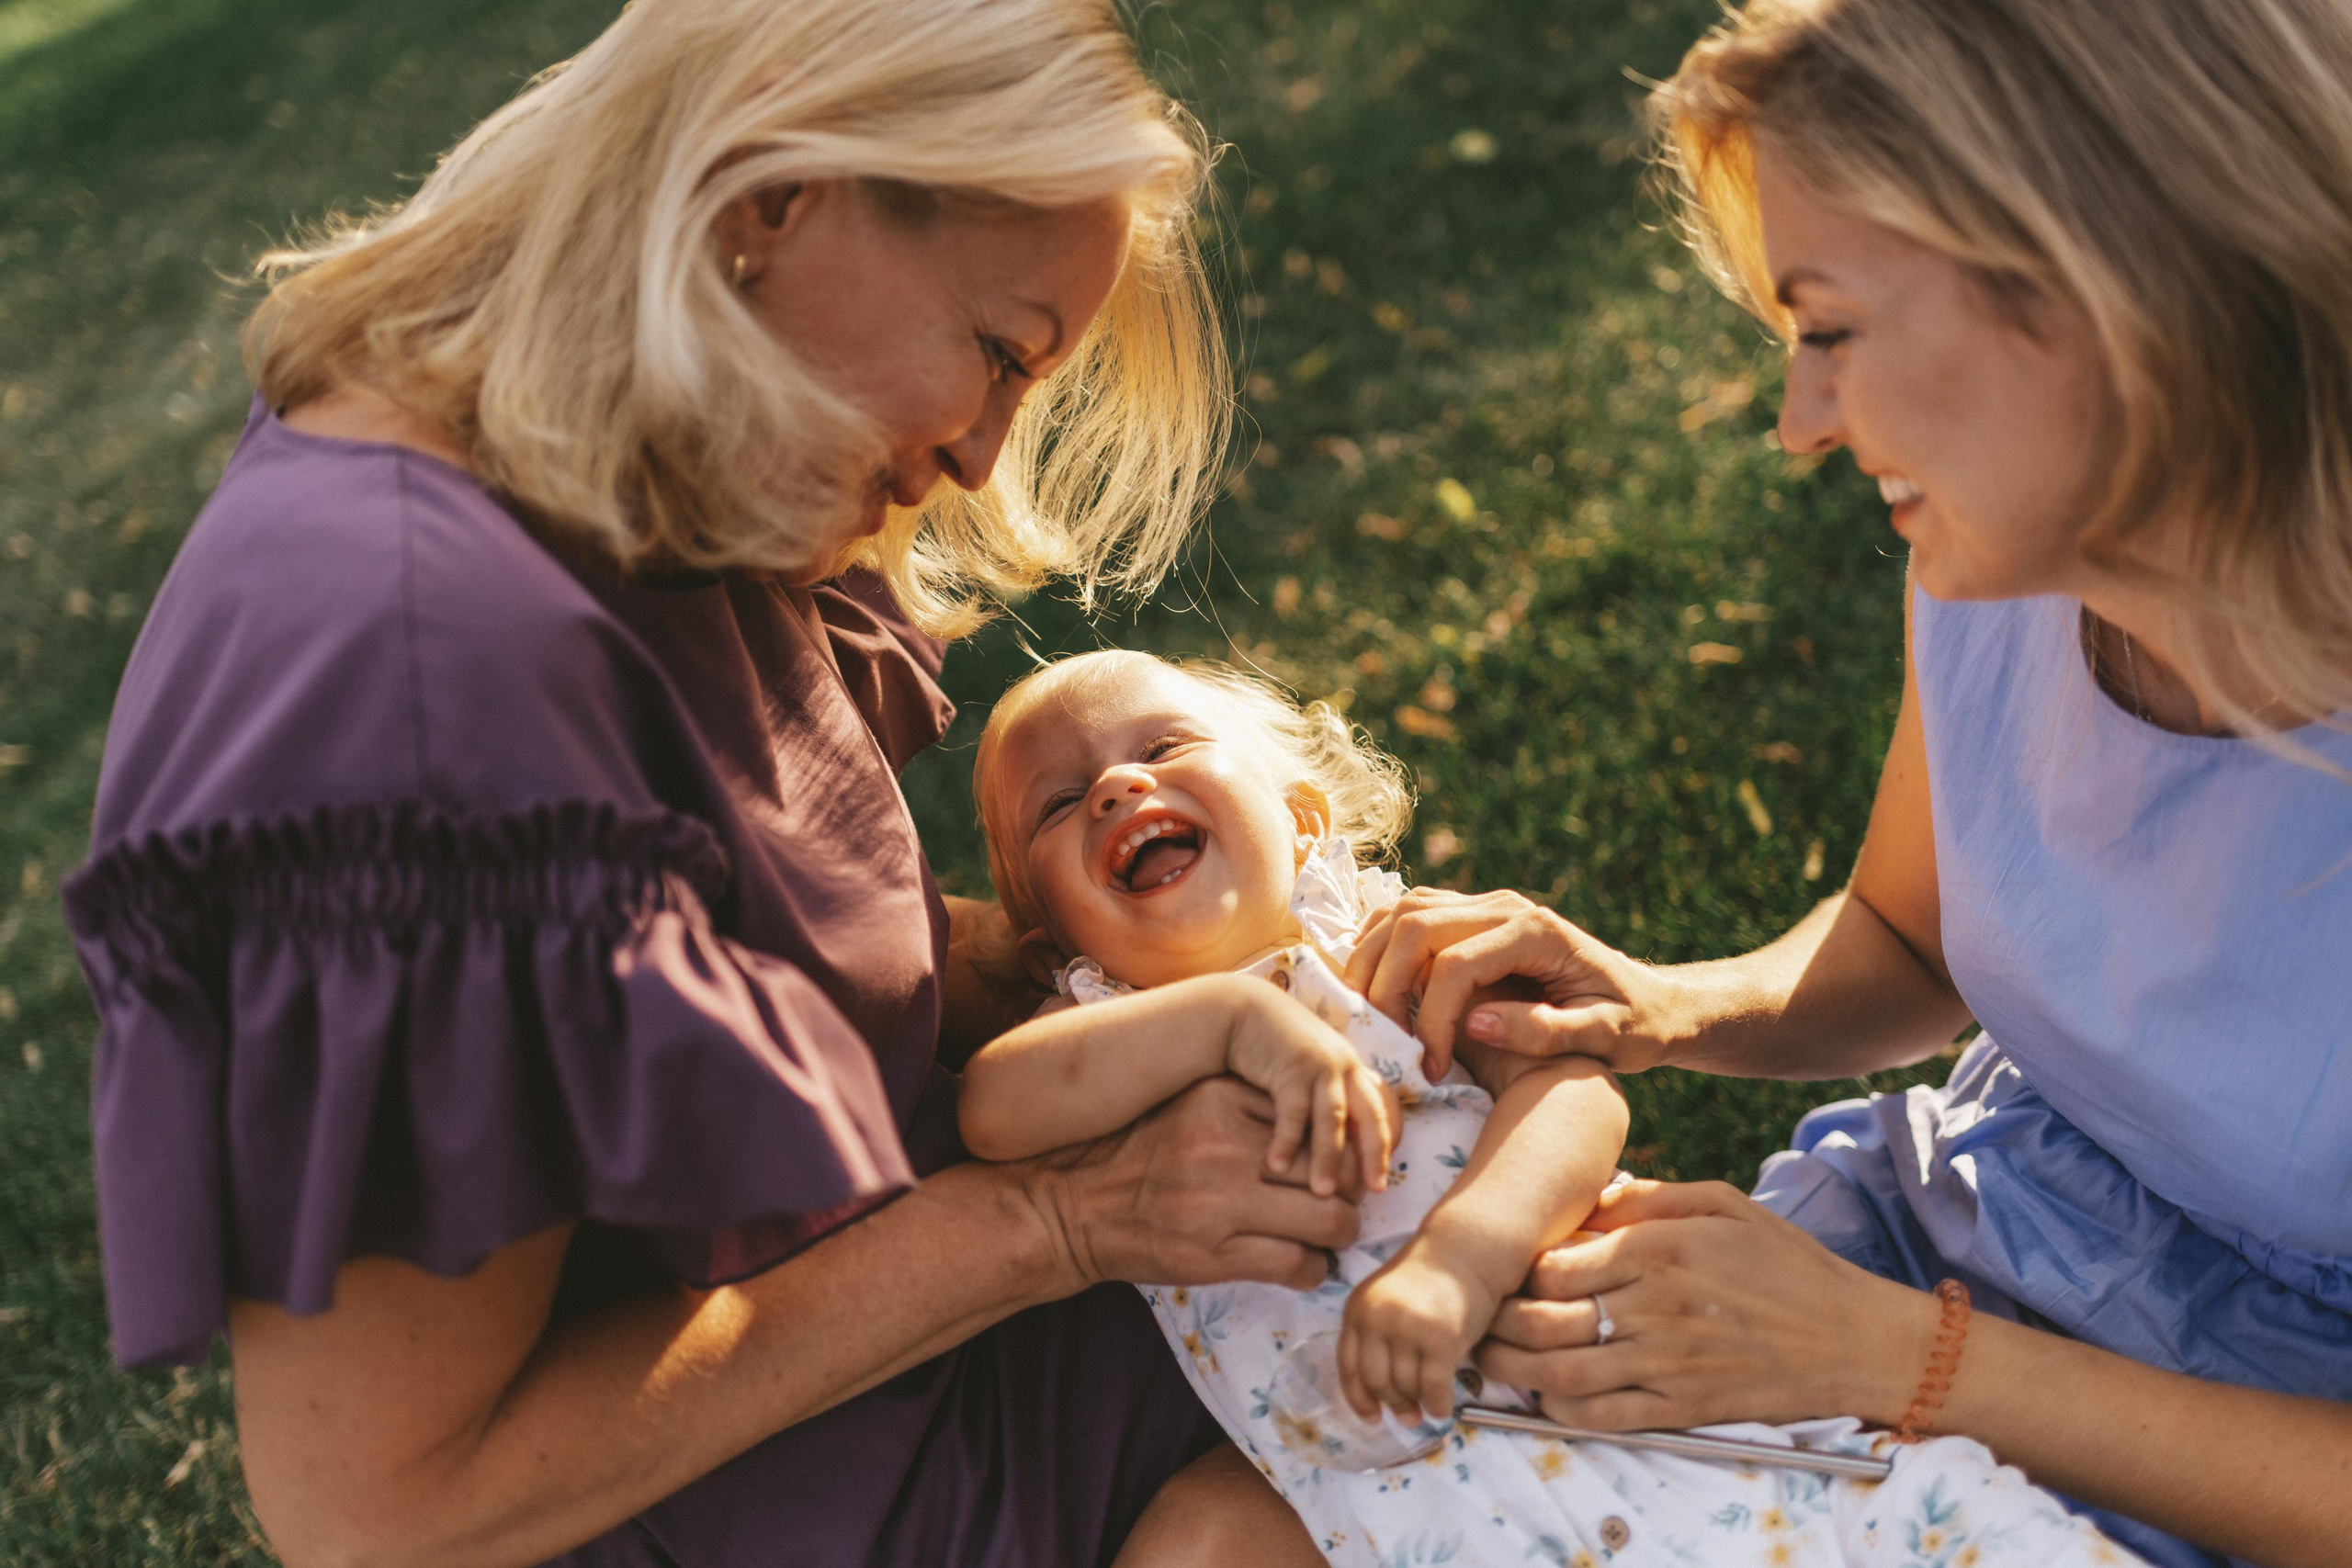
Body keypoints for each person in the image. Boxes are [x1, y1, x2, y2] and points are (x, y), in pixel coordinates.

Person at [59, 3, 1374, 1564]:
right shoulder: (411, 691)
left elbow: (752, 970)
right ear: (770, 201)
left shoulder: (649, 463)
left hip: (921, 1347)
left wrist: (1285, 969)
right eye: (999, 352)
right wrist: (1062, 1221)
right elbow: (384, 1508)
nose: (979, 455)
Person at [1346, 5, 2352, 1567]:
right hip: (1972, 1224)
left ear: (2097, 286)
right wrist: (1653, 1004)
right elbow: (1913, 939)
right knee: (1319, 1498)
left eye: (1828, 332)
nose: (1801, 424)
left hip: (2262, 1443)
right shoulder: (2004, 566)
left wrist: (1899, 1363)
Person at [959, 649, 2143, 1568]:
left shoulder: (1393, 962)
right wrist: (1223, 1021)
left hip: (1622, 1385)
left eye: (1165, 744)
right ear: (1053, 941)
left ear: (1304, 818)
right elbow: (993, 1112)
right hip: (1417, 1510)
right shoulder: (1098, 1051)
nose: (1119, 785)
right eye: (1060, 806)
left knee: (1892, 1523)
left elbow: (1572, 1098)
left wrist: (1460, 1259)